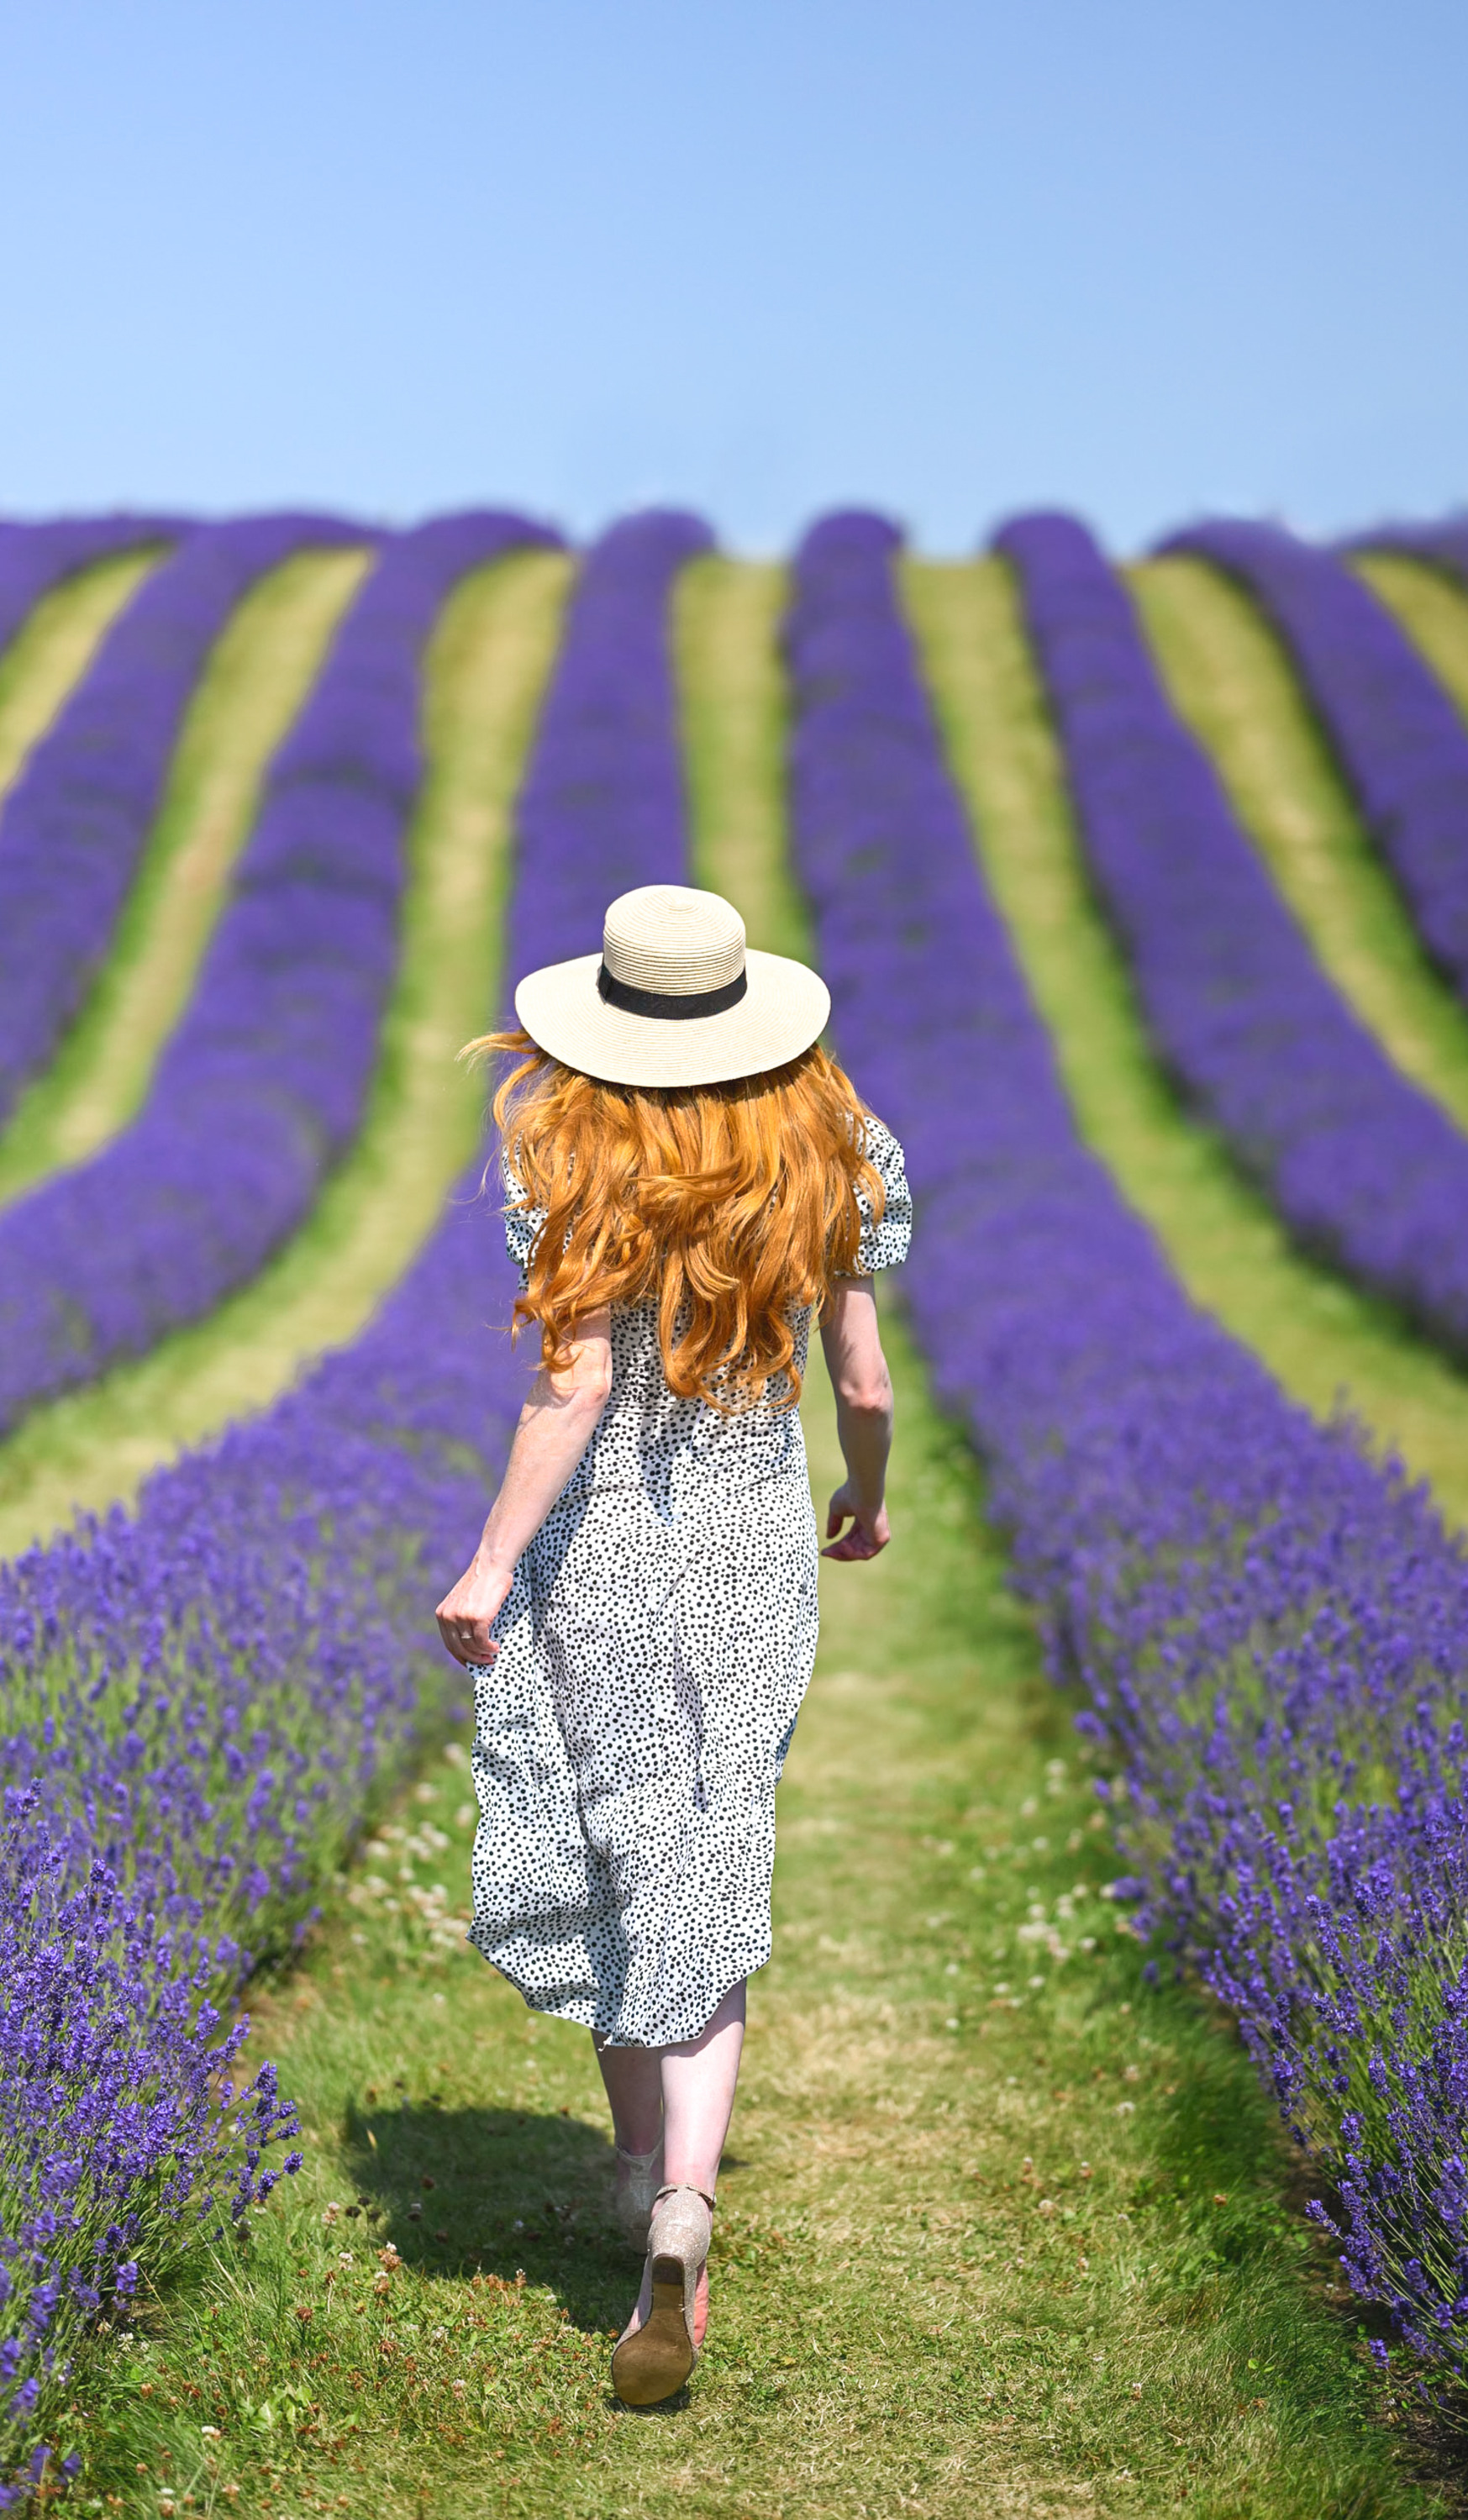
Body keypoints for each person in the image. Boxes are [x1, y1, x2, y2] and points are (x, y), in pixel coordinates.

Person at [434, 882, 911, 2408]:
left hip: (606, 1567)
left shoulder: (565, 1153)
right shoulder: (834, 1152)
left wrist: (492, 1563)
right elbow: (870, 1382)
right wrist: (868, 1499)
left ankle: (638, 2176)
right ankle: (689, 2211)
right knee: (710, 1849)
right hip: (747, 1555)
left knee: (615, 1843)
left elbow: (569, 1391)